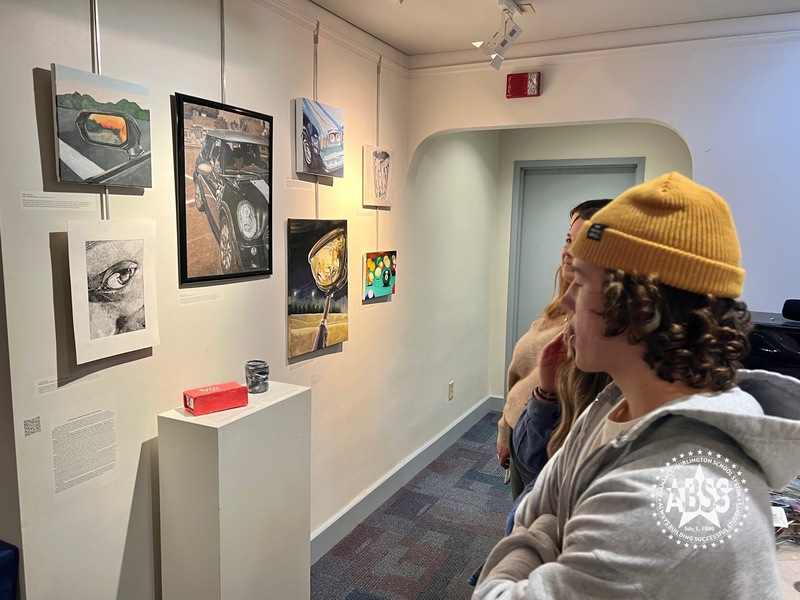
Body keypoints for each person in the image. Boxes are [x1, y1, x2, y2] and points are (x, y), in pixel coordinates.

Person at [474, 172, 800, 598]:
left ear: (635, 306)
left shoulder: (664, 499)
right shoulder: (613, 405)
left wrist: (543, 532)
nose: (568, 300)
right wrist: (552, 525)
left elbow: (500, 581)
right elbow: (539, 504)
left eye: (581, 283)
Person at [501, 199, 611, 499]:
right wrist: (505, 429)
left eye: (581, 243)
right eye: (567, 239)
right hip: (525, 431)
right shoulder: (555, 312)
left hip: (548, 445)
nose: (567, 252)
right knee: (523, 511)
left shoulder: (596, 345)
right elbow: (521, 378)